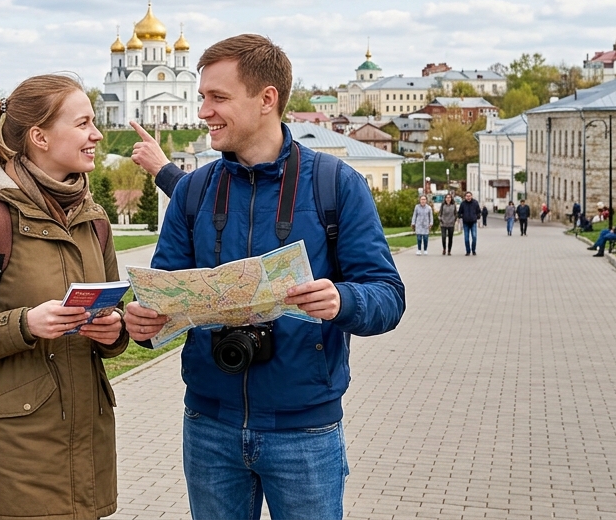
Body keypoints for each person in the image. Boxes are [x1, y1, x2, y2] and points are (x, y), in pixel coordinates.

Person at [123, 34, 405, 520]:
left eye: (218, 98)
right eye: (201, 97)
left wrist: (342, 300)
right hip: (209, 425)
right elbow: (161, 291)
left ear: (267, 99)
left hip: (305, 433)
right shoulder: (192, 192)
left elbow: (388, 296)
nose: (203, 111)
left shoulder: (335, 185)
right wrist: (144, 325)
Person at [0, 73, 129, 520]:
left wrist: (111, 330)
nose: (96, 134)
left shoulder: (93, 220)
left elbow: (113, 323)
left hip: (88, 445)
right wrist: (24, 325)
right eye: (82, 124)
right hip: (14, 455)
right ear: (40, 136)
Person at [459, 191, 480, 256]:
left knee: (474, 237)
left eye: (469, 196)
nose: (468, 197)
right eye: (467, 196)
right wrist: (462, 216)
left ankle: (473, 250)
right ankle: (468, 251)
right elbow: (459, 212)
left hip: (473, 222)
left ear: (471, 196)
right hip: (466, 223)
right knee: (466, 238)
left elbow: (478, 211)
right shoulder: (463, 204)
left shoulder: (475, 203)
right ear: (465, 197)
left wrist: (477, 216)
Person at [438, 191, 458, 255]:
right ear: (445, 198)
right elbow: (439, 213)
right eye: (447, 197)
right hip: (443, 223)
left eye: (449, 197)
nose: (448, 199)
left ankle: (449, 250)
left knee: (450, 237)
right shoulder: (443, 205)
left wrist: (454, 220)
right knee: (443, 237)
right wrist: (440, 219)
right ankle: (444, 248)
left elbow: (456, 214)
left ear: (451, 198)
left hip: (451, 224)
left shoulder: (453, 205)